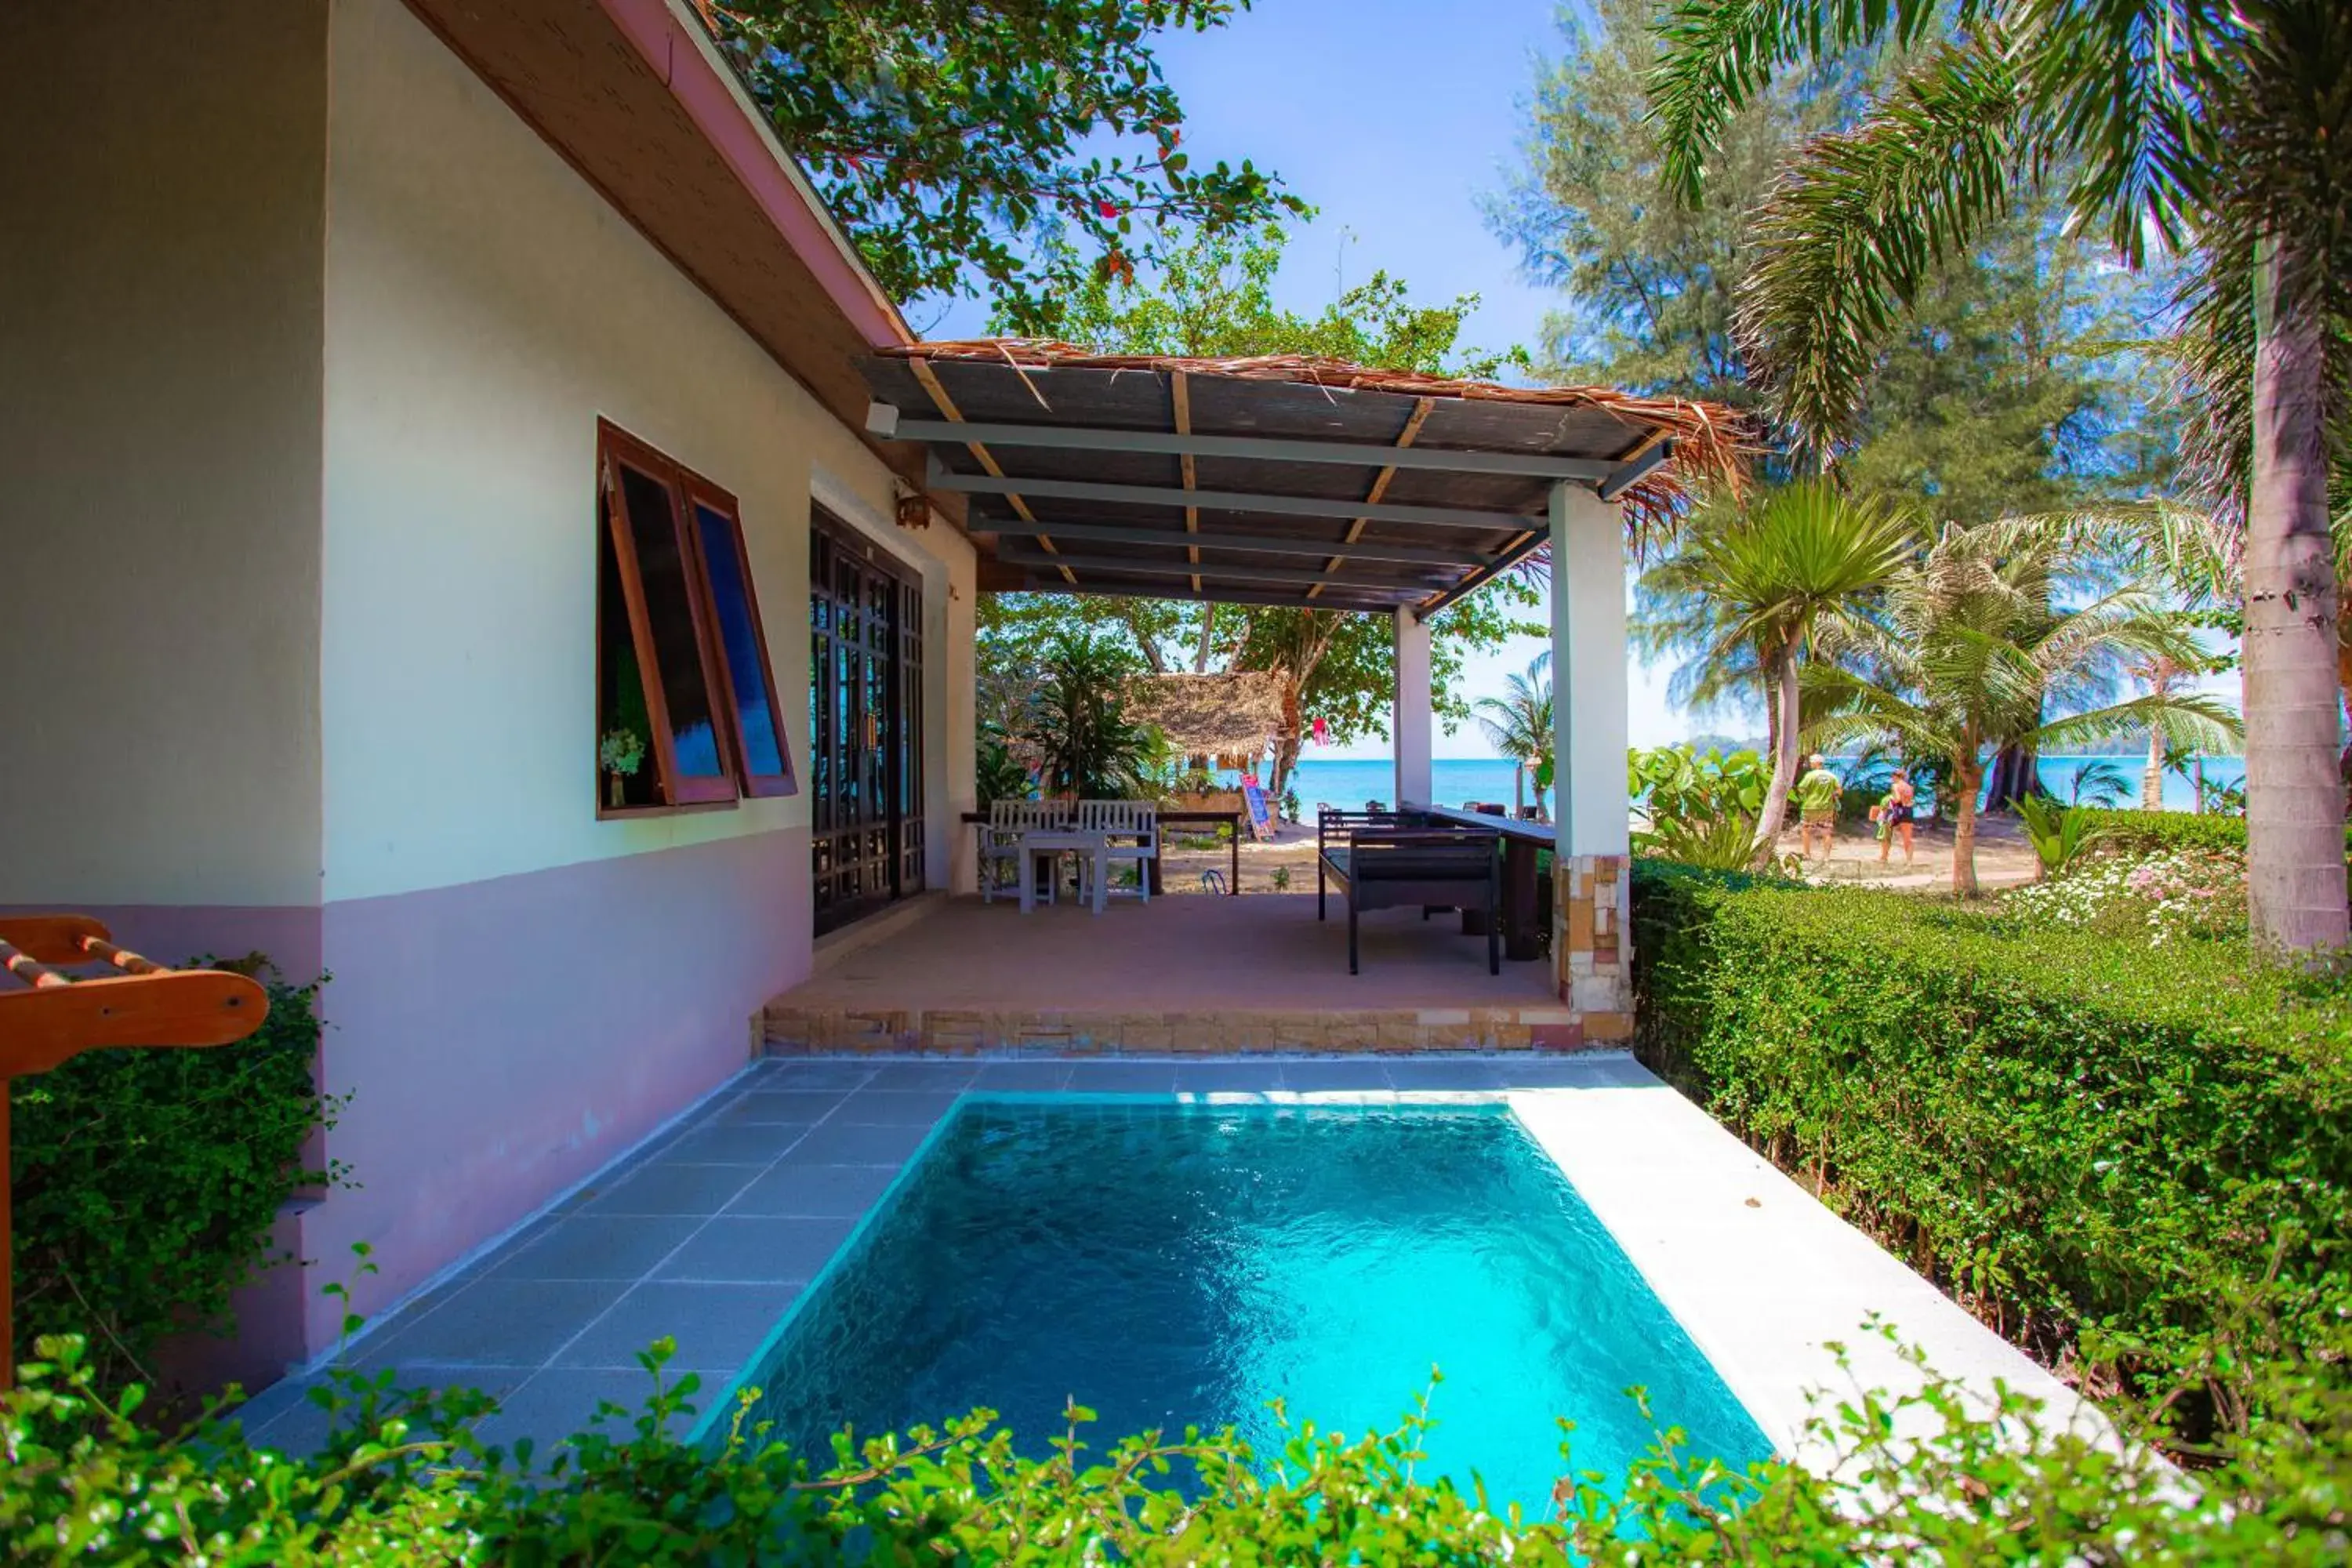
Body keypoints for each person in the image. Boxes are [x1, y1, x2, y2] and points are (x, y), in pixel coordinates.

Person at [1794, 753, 1843, 860]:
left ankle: (1807, 854)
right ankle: (1826, 857)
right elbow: (1839, 791)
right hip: (1827, 807)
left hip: (1810, 807)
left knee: (1806, 830)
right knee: (1827, 832)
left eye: (1811, 762)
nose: (1810, 764)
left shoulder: (1810, 776)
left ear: (1816, 763)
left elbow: (1801, 789)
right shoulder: (1831, 776)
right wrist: (1831, 796)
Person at [1878, 768, 1917, 866]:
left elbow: (1898, 799)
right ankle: (1909, 861)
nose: (1892, 779)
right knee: (1907, 838)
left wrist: (1890, 798)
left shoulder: (1895, 786)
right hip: (1908, 811)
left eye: (1892, 777)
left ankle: (1884, 857)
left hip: (1898, 811)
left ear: (1895, 776)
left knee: (1886, 833)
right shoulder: (1909, 787)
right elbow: (1911, 801)